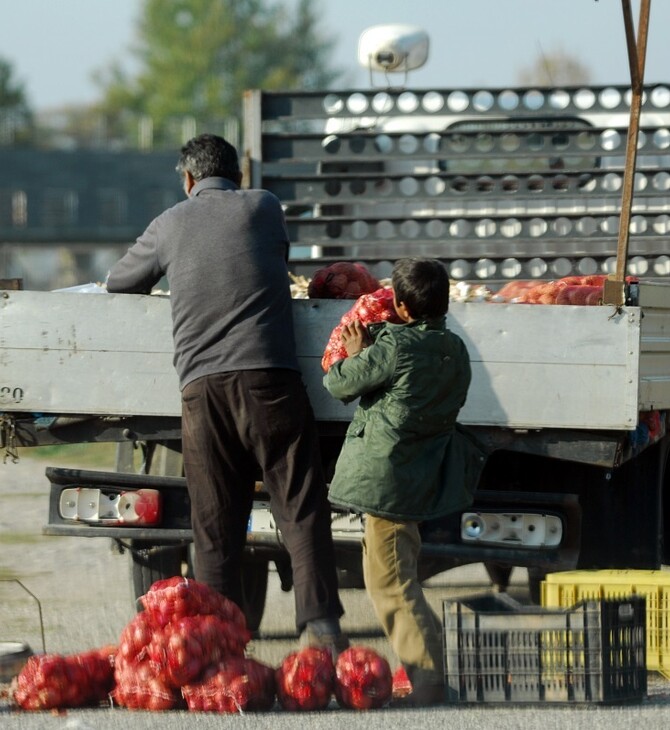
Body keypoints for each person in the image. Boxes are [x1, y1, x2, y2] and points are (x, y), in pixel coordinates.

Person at [106, 133, 346, 653]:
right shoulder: (264, 206)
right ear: (239, 176)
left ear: (188, 179)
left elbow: (118, 282)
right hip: (270, 382)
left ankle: (218, 648)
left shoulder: (169, 222)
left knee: (214, 522)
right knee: (300, 506)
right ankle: (323, 629)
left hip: (204, 390)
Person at [323, 257, 482, 706]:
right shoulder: (455, 350)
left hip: (387, 480)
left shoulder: (396, 347)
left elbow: (339, 384)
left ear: (400, 307)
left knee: (392, 584)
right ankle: (433, 672)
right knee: (397, 579)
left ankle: (428, 682)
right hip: (418, 476)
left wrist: (356, 354)